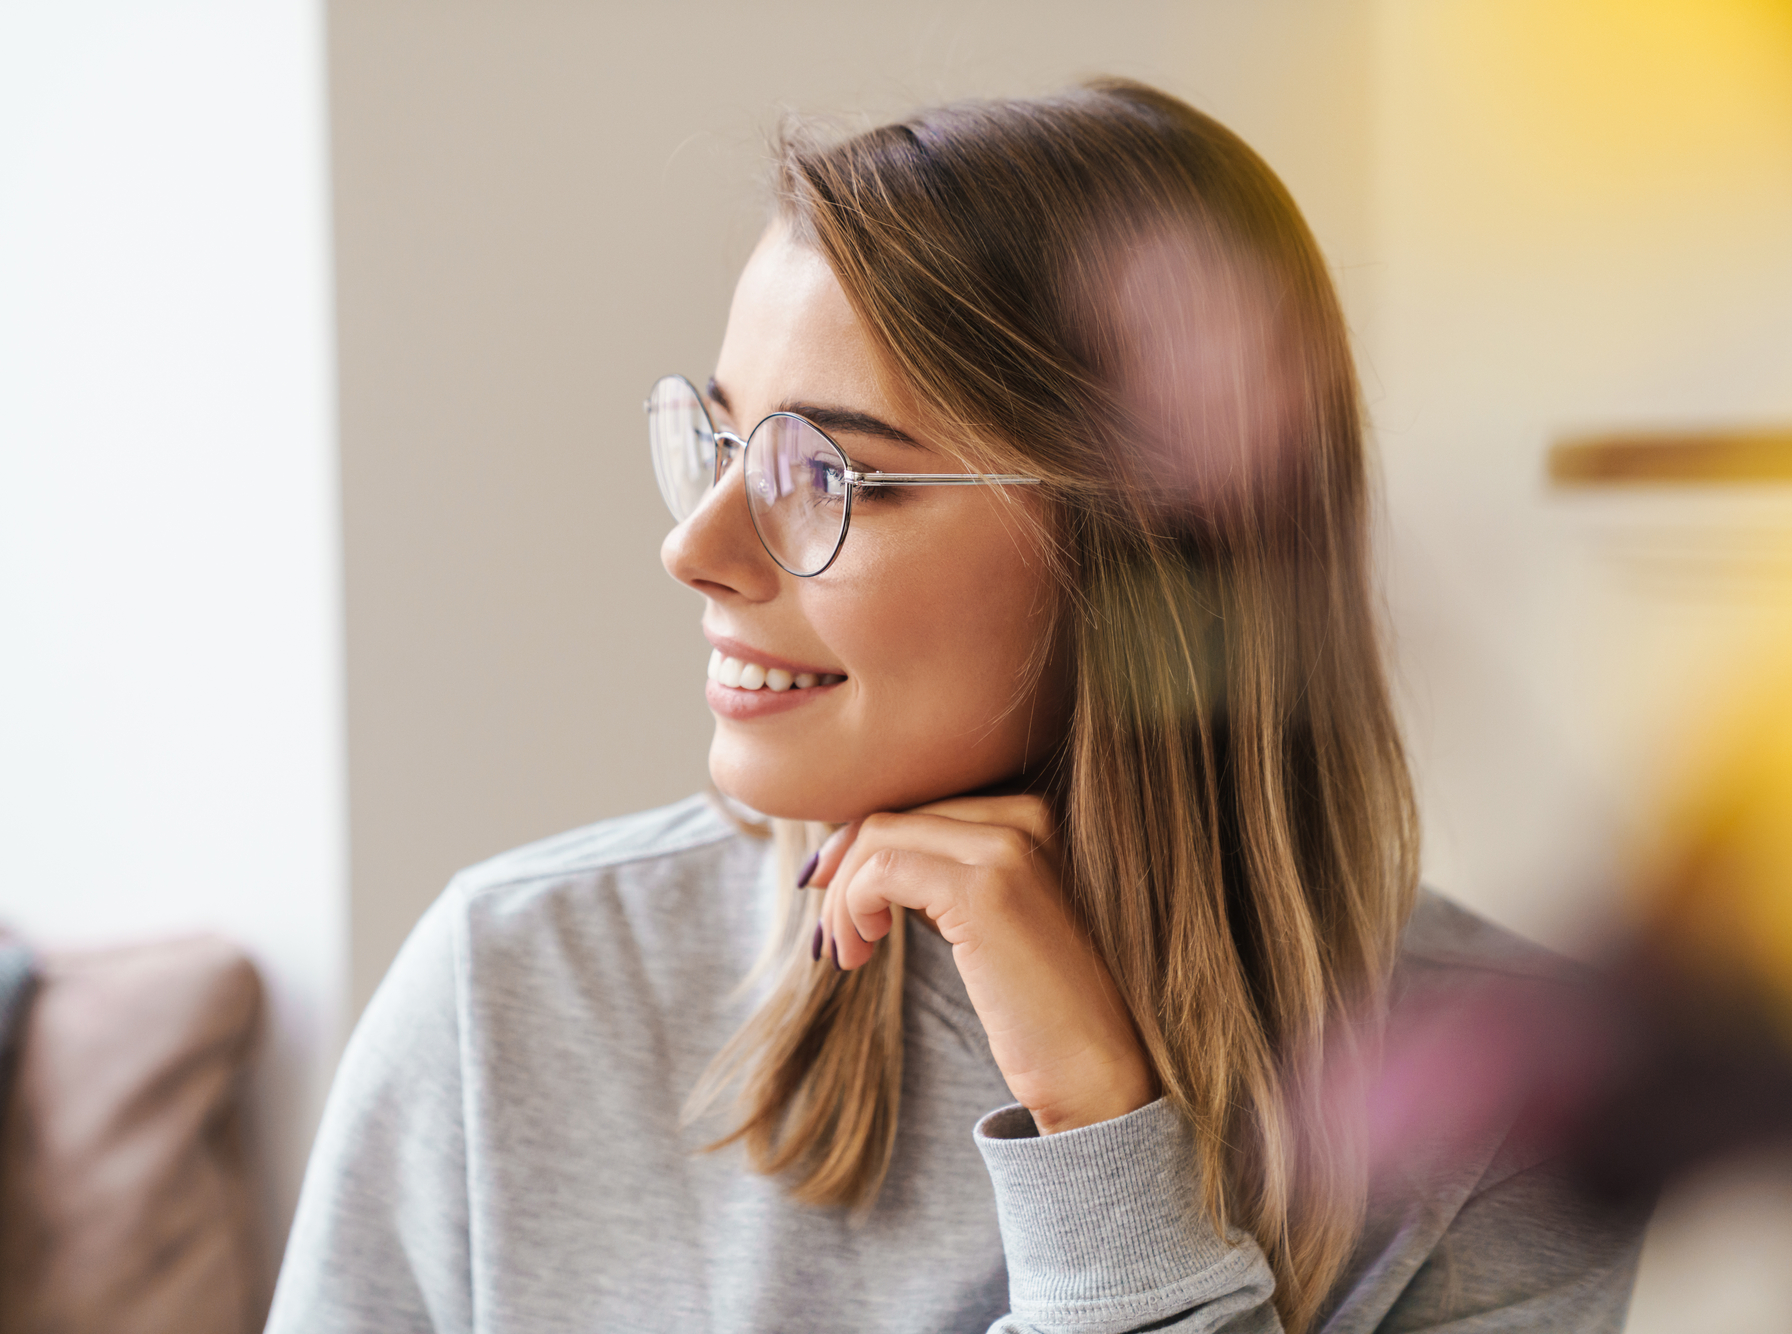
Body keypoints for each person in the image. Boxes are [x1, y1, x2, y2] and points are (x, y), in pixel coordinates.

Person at [264, 79, 1645, 1333]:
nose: (695, 548)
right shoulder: (514, 986)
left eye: (830, 475)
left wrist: (1102, 1136)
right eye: (725, 441)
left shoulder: (1508, 1104)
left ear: (1151, 555)